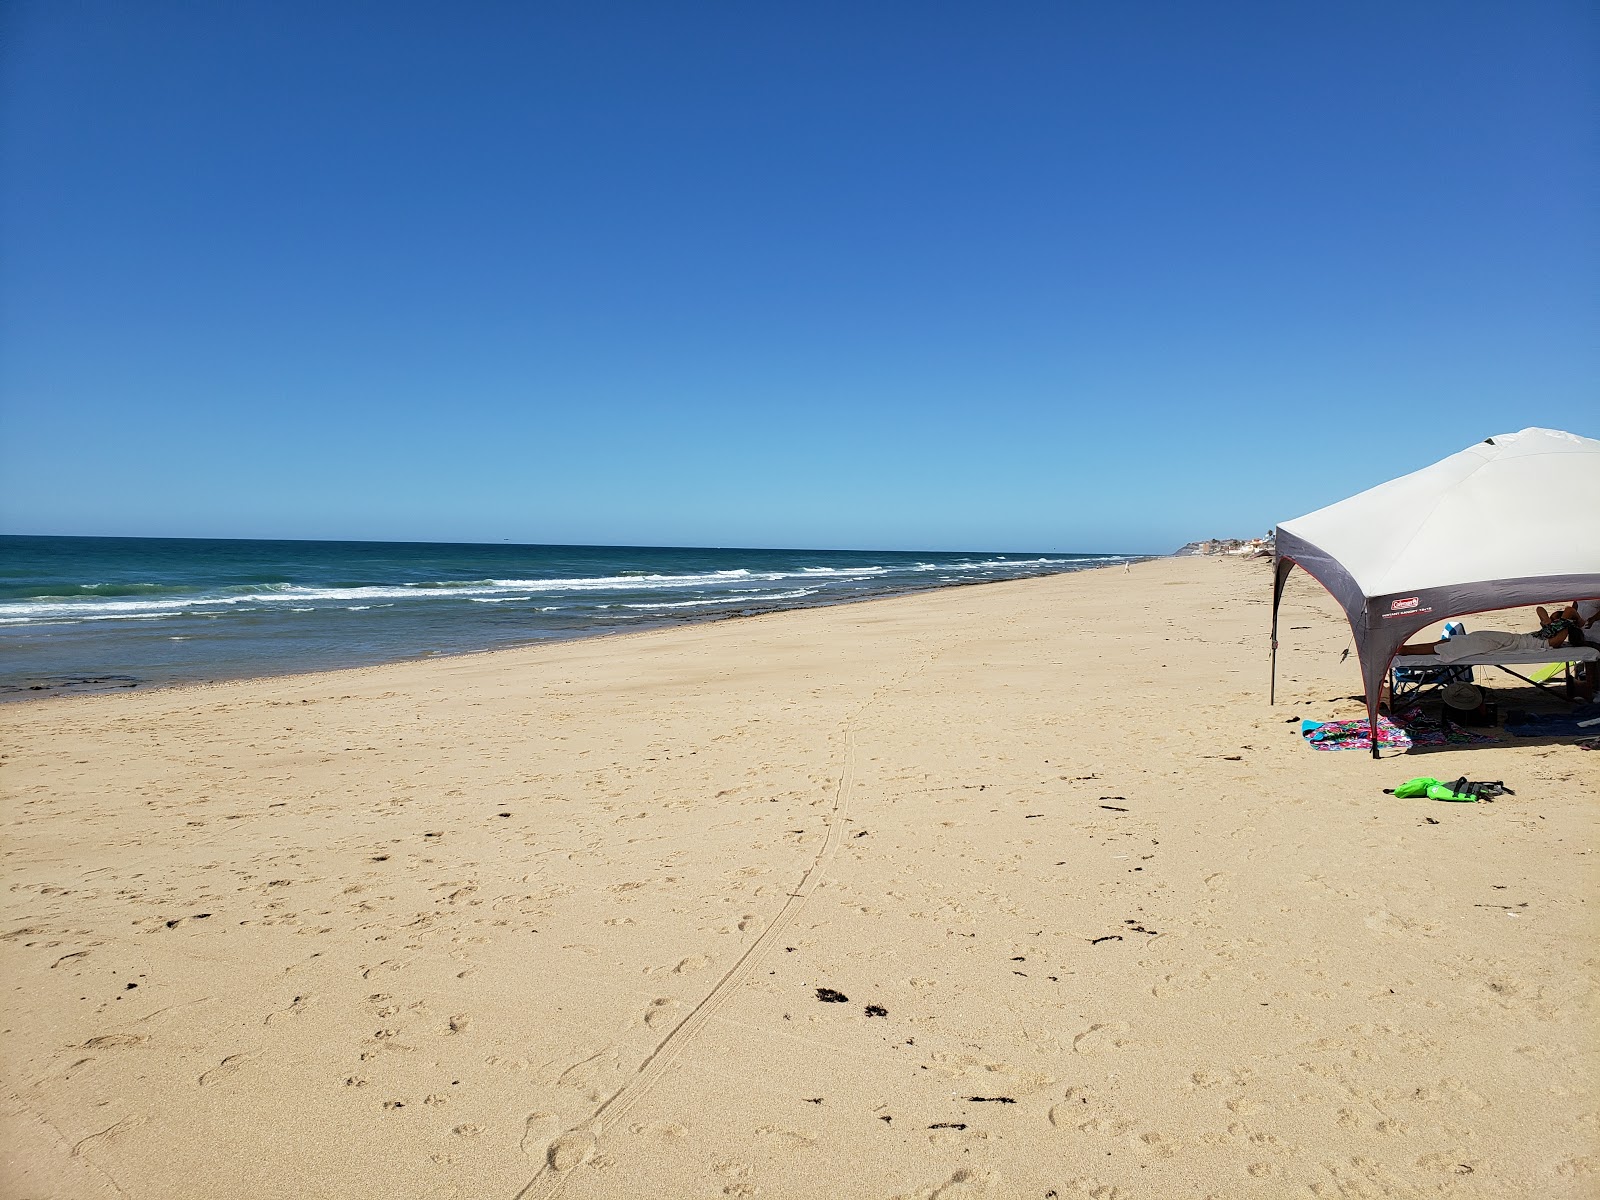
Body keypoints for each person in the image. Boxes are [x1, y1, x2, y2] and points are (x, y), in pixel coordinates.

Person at [1398, 605, 1587, 660]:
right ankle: (1404, 649)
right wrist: (1546, 621)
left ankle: (1404, 650)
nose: (1553, 617)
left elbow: (1569, 611)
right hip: (1513, 639)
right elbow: (1539, 608)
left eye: (1556, 617)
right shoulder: (1551, 626)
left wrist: (1576, 622)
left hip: (1518, 643)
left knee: (1456, 645)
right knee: (1466, 640)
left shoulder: (1561, 631)